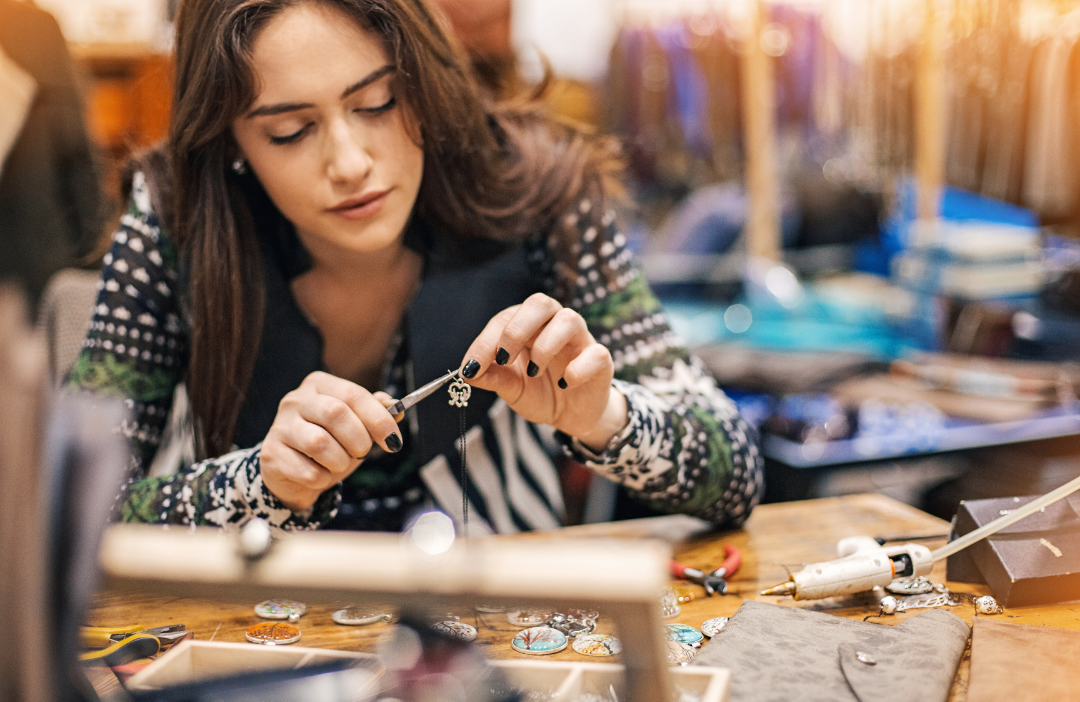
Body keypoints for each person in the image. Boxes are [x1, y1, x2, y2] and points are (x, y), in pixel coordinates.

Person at [68, 0, 762, 533]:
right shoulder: (173, 219)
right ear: (231, 140)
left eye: (377, 103)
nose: (349, 162)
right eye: (290, 130)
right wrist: (258, 482)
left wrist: (605, 416)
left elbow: (736, 472)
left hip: (503, 639)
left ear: (424, 83)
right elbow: (68, 510)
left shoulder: (542, 189)